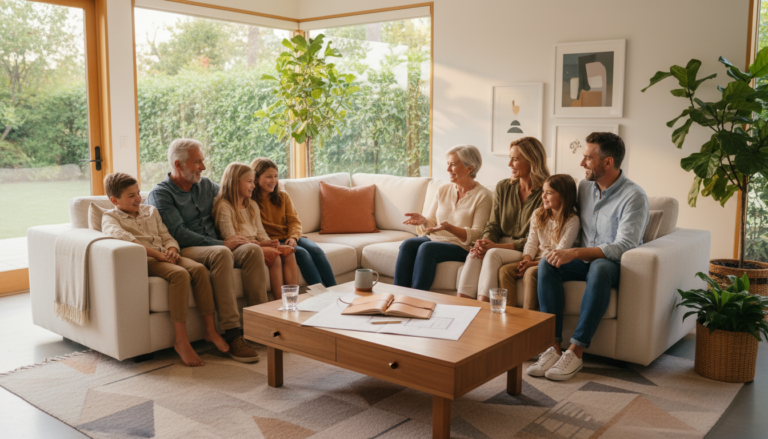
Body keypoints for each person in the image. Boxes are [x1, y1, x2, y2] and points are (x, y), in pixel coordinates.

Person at [527, 132, 649, 381]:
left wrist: (573, 252)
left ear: (608, 162)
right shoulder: (584, 187)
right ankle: (552, 346)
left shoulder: (634, 197)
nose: (582, 164)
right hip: (581, 261)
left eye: (588, 159)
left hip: (613, 265)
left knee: (600, 268)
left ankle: (576, 351)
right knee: (548, 264)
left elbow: (624, 245)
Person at [147, 138, 266, 363]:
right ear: (178, 165)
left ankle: (261, 324)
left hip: (218, 244)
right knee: (221, 253)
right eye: (197, 162)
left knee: (251, 250)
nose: (203, 167)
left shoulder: (207, 185)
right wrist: (222, 245)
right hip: (186, 250)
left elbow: (232, 199)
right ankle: (232, 334)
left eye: (202, 161)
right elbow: (179, 233)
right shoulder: (162, 194)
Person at [101, 172, 229, 367]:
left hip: (167, 255)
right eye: (131, 196)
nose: (138, 198)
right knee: (179, 275)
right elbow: (126, 239)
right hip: (147, 260)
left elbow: (166, 235)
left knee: (200, 270)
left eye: (138, 193)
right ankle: (181, 340)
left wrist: (171, 249)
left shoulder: (151, 211)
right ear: (114, 200)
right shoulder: (110, 217)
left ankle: (210, 330)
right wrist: (158, 255)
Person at [456, 137, 550, 301]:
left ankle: (483, 308)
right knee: (474, 253)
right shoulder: (503, 187)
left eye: (515, 160)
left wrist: (495, 246)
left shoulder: (547, 192)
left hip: (529, 248)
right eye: (510, 159)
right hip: (498, 243)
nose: (509, 165)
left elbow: (535, 238)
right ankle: (460, 308)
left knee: (492, 253)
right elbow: (493, 225)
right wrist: (484, 242)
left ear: (531, 160)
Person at [394, 145, 492, 291]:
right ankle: (396, 296)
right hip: (435, 239)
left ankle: (417, 299)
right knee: (408, 244)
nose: (448, 170)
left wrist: (450, 228)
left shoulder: (483, 196)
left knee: (427, 248)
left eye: (453, 165)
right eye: (448, 164)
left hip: (462, 246)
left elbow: (477, 234)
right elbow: (432, 221)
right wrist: (424, 220)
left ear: (469, 168)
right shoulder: (443, 189)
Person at [213, 163, 299, 299]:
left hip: (256, 244)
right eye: (249, 182)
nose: (254, 186)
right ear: (235, 182)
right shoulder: (224, 207)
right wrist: (264, 246)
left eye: (254, 181)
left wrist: (272, 243)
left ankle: (293, 301)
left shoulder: (252, 205)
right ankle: (279, 302)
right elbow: (232, 239)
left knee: (289, 252)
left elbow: (261, 232)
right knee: (275, 256)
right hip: (239, 249)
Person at [249, 157, 337, 288]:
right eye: (268, 177)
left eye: (276, 176)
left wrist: (293, 237)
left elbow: (294, 221)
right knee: (302, 253)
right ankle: (321, 294)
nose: (273, 180)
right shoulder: (250, 202)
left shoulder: (283, 196)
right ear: (256, 178)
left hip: (292, 236)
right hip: (274, 241)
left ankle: (335, 290)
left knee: (316, 250)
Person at [497, 174, 580, 310]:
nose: (543, 197)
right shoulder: (538, 214)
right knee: (505, 271)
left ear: (563, 196)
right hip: (534, 259)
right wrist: (526, 260)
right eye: (543, 192)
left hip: (552, 263)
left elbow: (559, 252)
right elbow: (531, 243)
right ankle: (510, 314)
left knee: (530, 273)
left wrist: (531, 265)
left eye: (549, 193)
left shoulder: (572, 220)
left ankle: (528, 317)